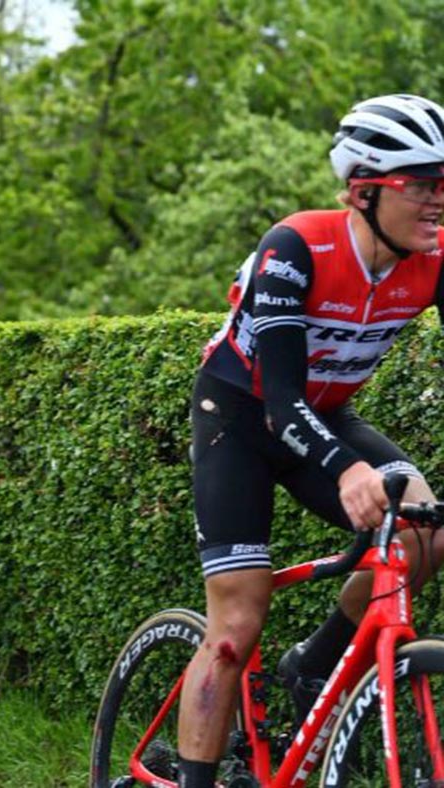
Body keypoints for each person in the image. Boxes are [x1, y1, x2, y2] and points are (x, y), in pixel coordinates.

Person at [176, 93, 444, 786]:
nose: (438, 201)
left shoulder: (435, 257)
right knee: (237, 623)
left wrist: (350, 460)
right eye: (421, 185)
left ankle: (314, 665)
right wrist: (348, 468)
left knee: (425, 530)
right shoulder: (295, 247)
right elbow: (282, 400)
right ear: (363, 191)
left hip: (324, 415)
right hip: (240, 415)